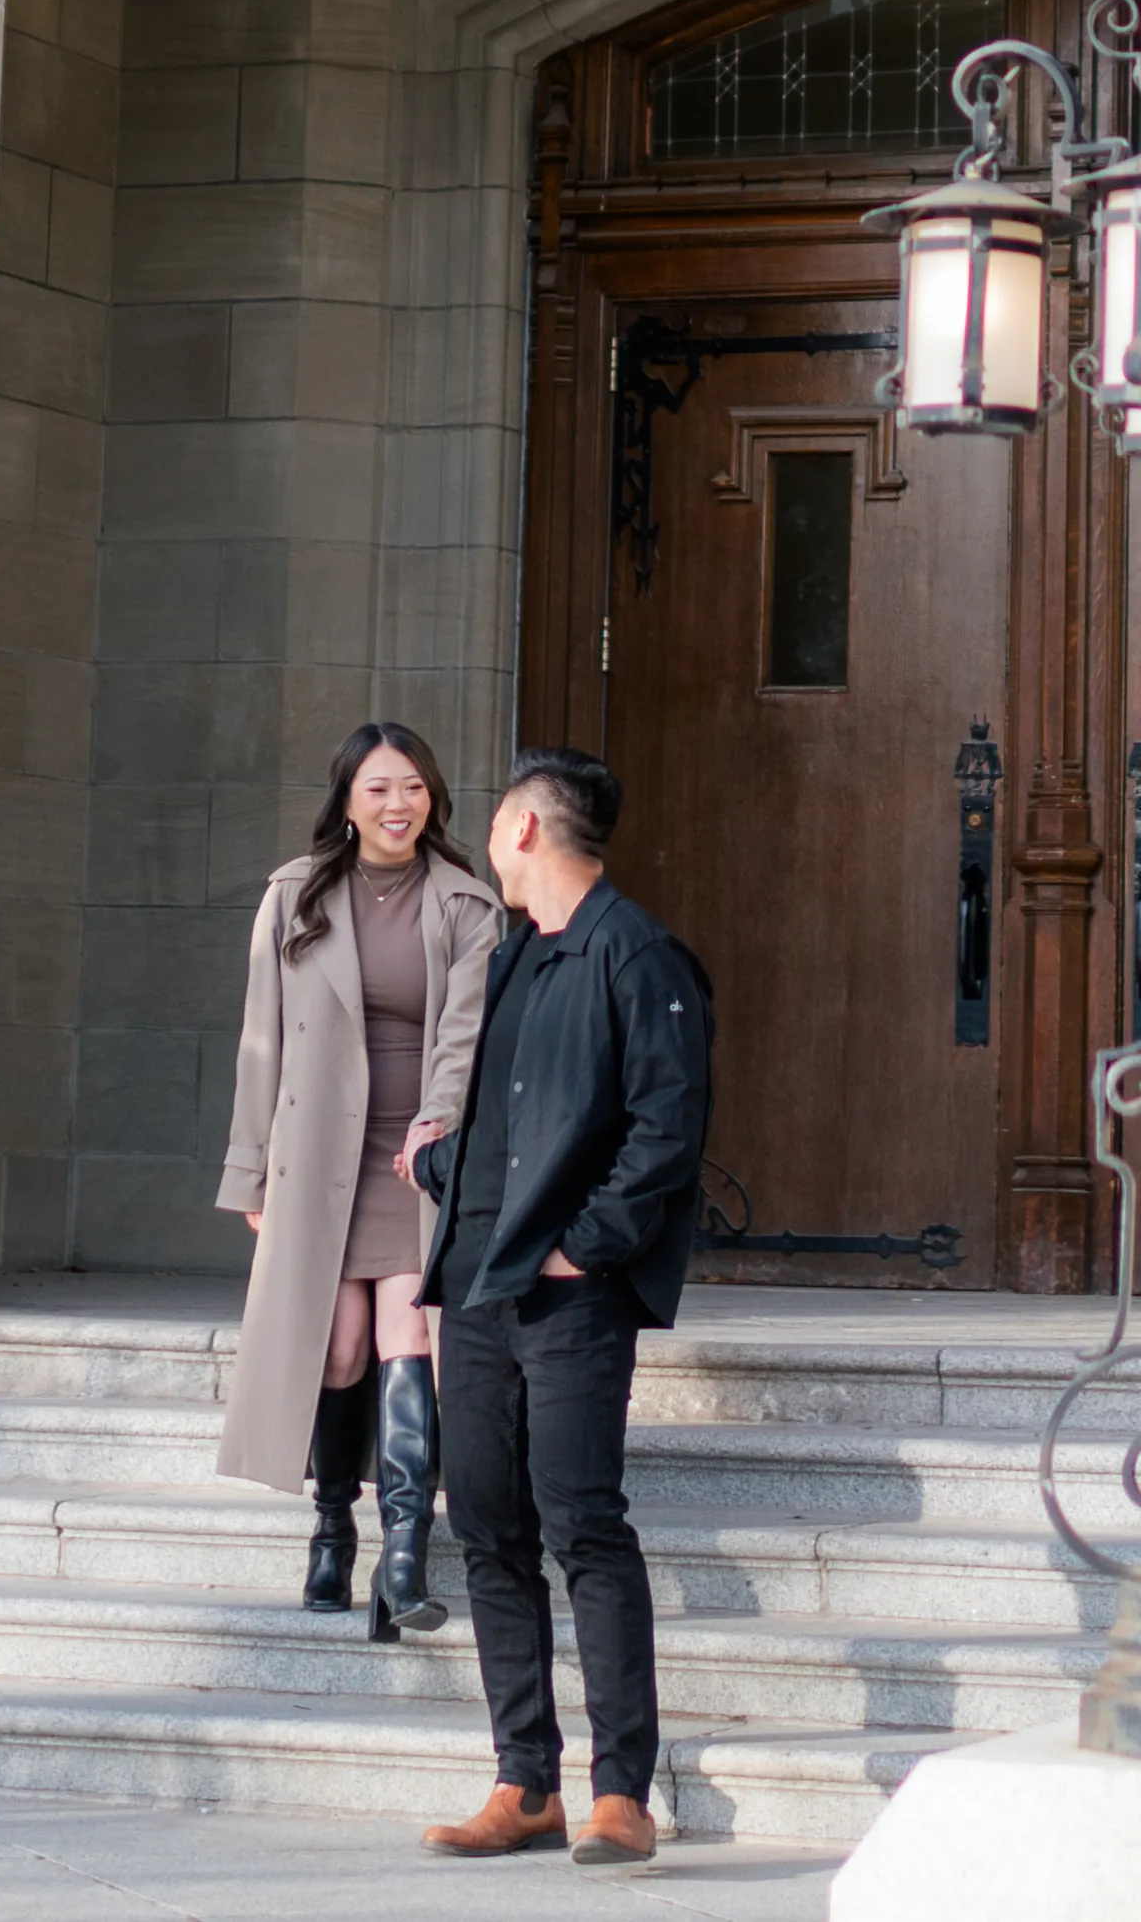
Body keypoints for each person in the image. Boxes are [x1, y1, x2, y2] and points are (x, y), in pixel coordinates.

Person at [407, 747, 713, 1868]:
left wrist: (590, 1244)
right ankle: (522, 1777)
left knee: (582, 1520)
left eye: (495, 818)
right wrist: (438, 1165)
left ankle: (621, 1789)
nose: (489, 833)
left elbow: (667, 1129)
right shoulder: (517, 954)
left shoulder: (637, 954)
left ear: (527, 828)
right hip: (480, 1285)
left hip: (568, 1293)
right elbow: (510, 1122)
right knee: (487, 1522)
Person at [215, 722, 502, 1642]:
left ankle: (405, 1552)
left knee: (407, 1335)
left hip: (411, 1156)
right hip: (317, 1153)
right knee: (336, 1353)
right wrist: (249, 1169)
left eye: (413, 787)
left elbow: (464, 1037)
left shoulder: (466, 903)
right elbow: (260, 1040)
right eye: (378, 788)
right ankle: (332, 1525)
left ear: (433, 798)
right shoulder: (294, 896)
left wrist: (439, 1128)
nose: (397, 804)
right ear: (346, 799)